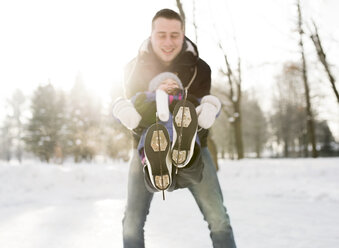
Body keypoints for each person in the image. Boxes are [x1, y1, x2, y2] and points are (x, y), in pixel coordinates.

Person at [116, 8, 237, 248]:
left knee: (218, 218)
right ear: (151, 35)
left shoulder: (200, 68)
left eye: (174, 35)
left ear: (183, 35)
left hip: (192, 145)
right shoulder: (132, 68)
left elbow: (202, 109)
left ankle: (183, 150)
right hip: (148, 150)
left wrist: (204, 115)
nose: (168, 42)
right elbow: (133, 113)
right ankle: (158, 156)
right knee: (131, 221)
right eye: (161, 35)